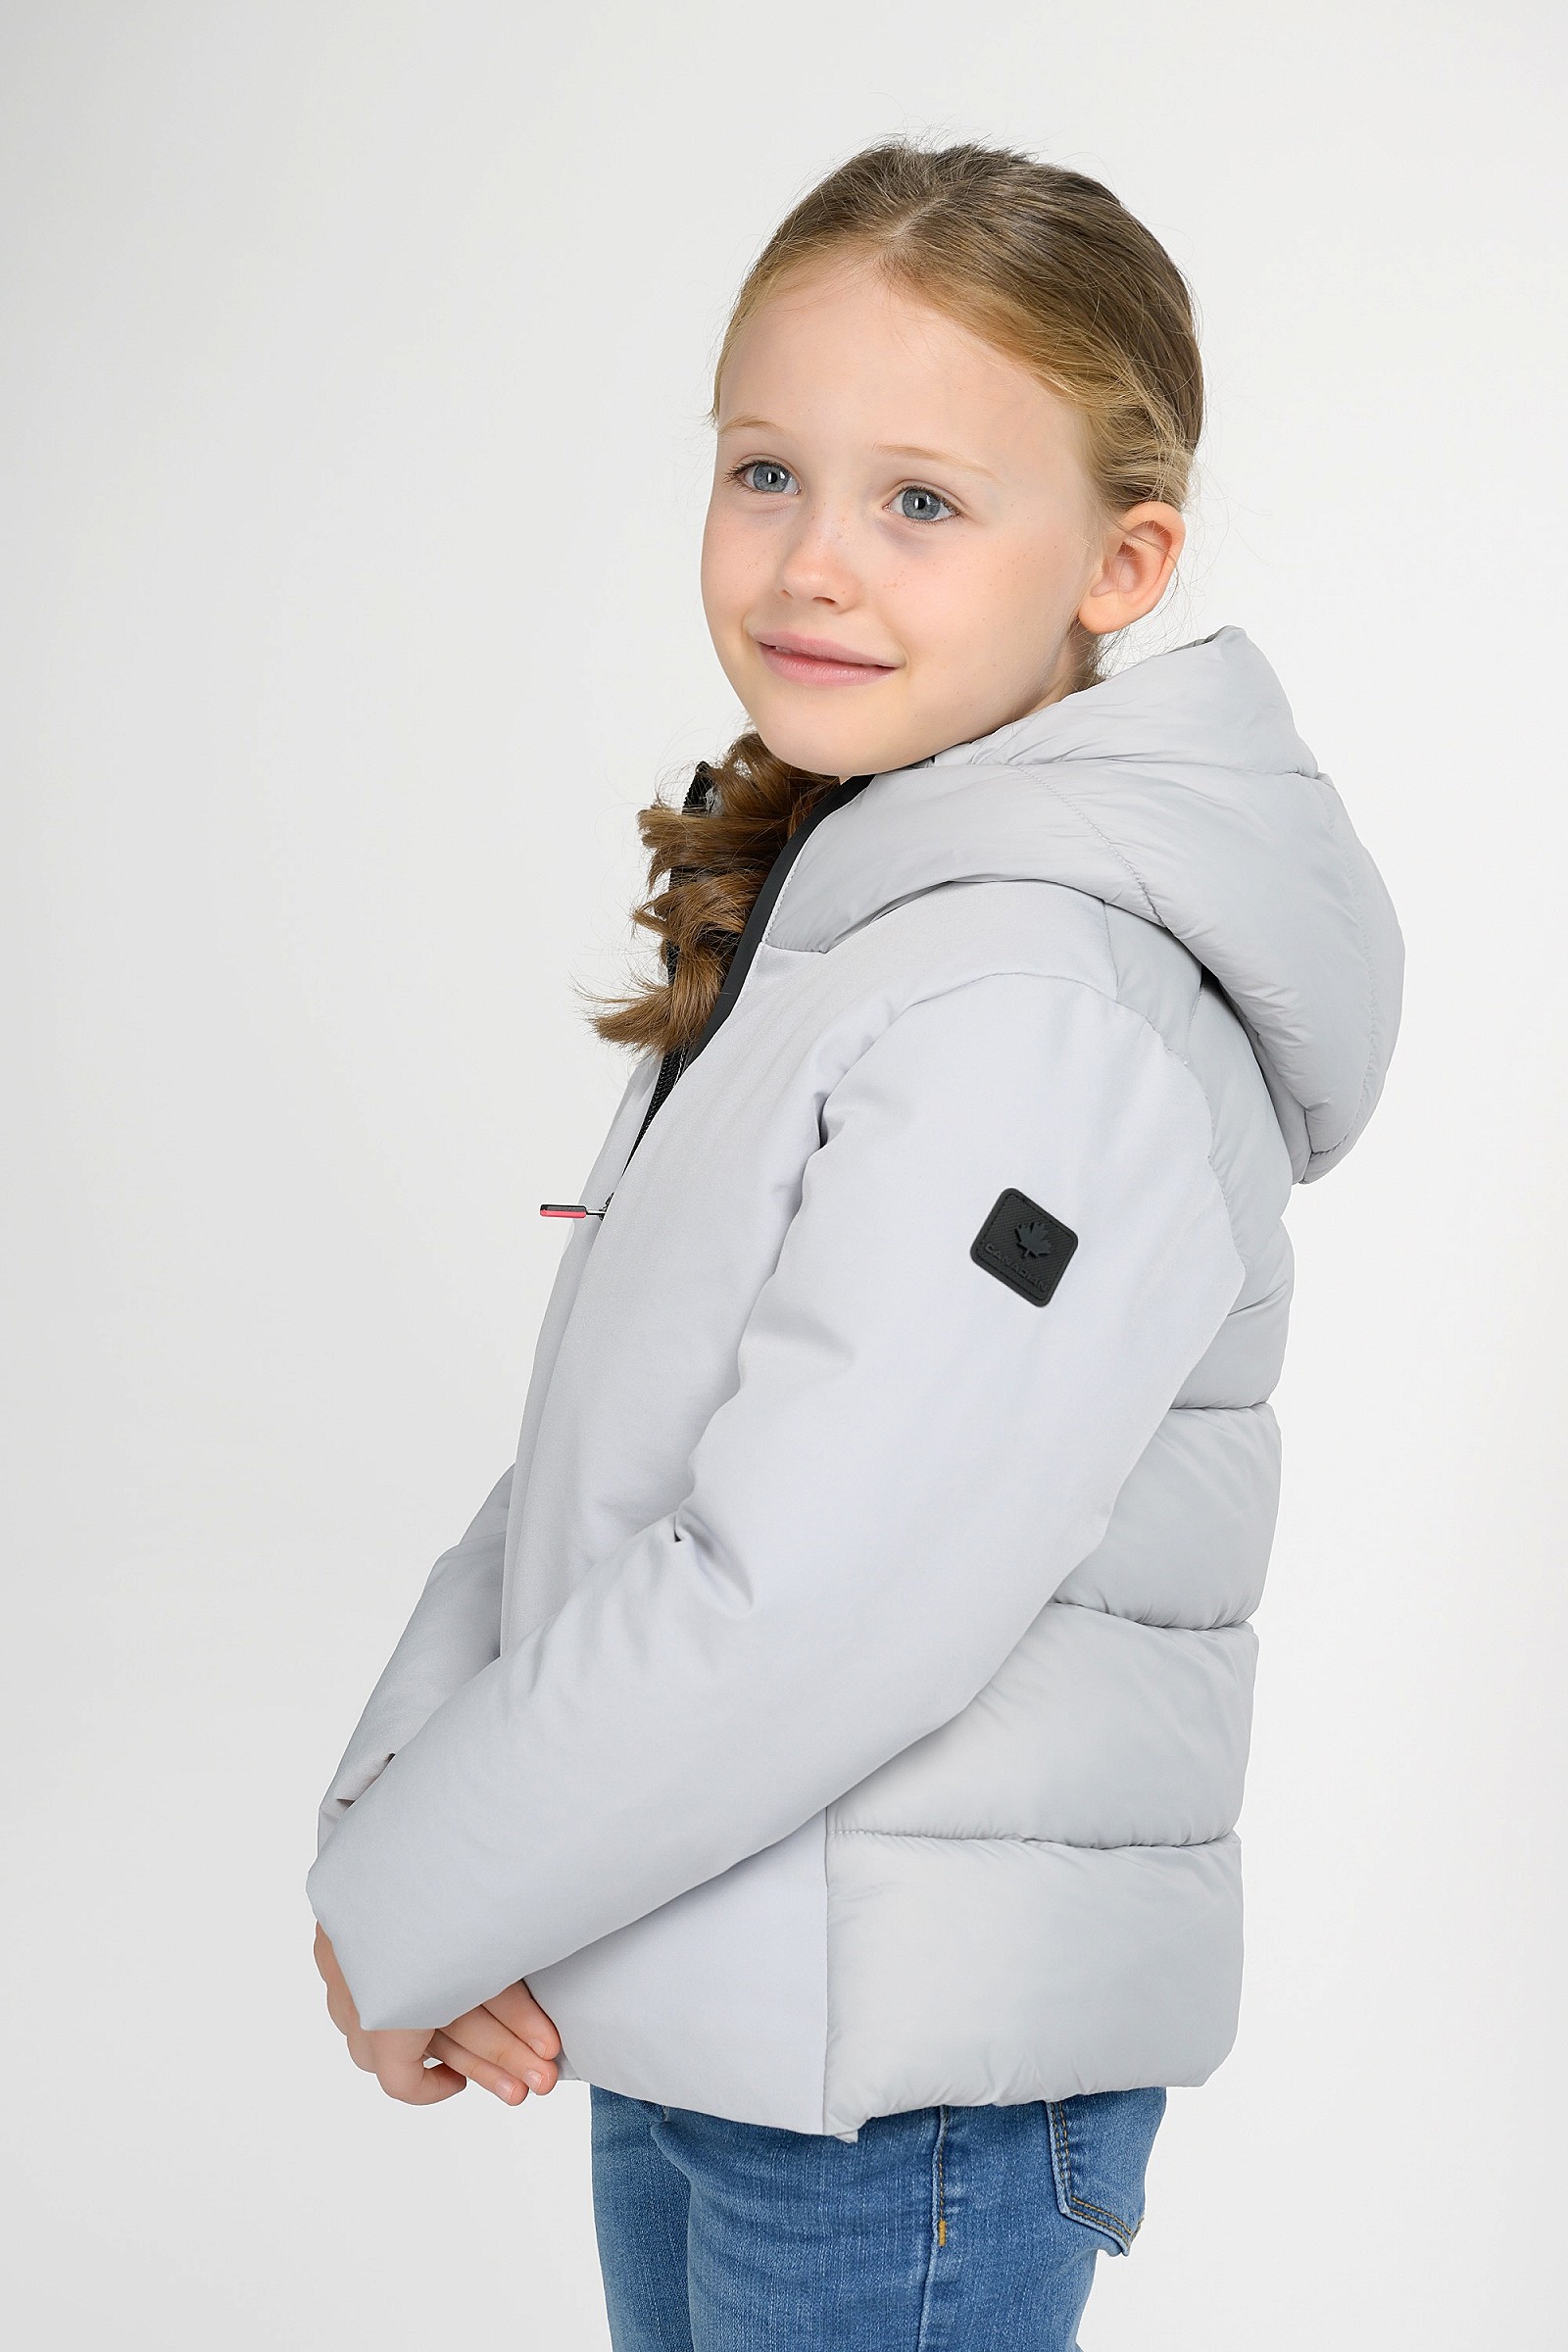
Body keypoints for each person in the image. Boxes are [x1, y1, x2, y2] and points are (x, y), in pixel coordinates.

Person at [307, 139, 1403, 2349]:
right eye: (763, 472)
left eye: (920, 500)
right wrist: (395, 1841)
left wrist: (408, 1900)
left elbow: (804, 1597)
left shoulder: (1040, 1010)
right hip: (726, 1994)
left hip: (894, 2098)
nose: (812, 560)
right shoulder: (869, 935)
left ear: (1120, 562)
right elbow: (602, 1474)